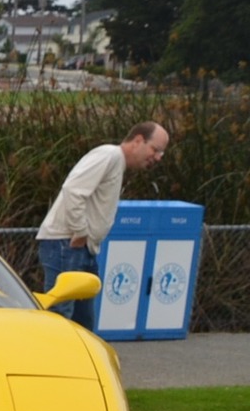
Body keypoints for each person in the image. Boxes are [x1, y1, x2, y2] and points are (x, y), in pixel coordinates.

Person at [36, 122, 170, 326]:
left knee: (83, 325)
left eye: (162, 153)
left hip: (82, 249)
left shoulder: (115, 161)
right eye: (156, 149)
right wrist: (80, 233)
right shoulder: (109, 155)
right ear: (138, 141)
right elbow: (73, 190)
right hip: (67, 245)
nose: (158, 157)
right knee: (60, 321)